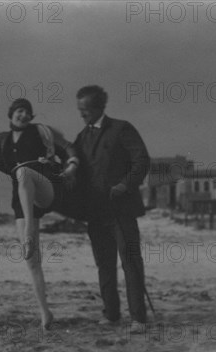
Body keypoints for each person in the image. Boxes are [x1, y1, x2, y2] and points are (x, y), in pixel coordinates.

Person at [0, 98, 79, 329]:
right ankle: (45, 312)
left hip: (46, 186)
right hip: (21, 198)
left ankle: (28, 229)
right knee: (32, 260)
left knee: (24, 171)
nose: (24, 115)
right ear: (11, 114)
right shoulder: (2, 139)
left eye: (28, 112)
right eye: (19, 111)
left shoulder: (41, 131)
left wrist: (72, 166)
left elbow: (68, 147)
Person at [73, 85, 150, 333]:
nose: (82, 114)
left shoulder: (121, 129)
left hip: (122, 210)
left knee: (131, 262)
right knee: (104, 264)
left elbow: (142, 161)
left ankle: (138, 318)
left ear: (99, 107)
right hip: (96, 213)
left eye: (85, 109)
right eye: (79, 110)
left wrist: (124, 185)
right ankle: (112, 314)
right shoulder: (82, 137)